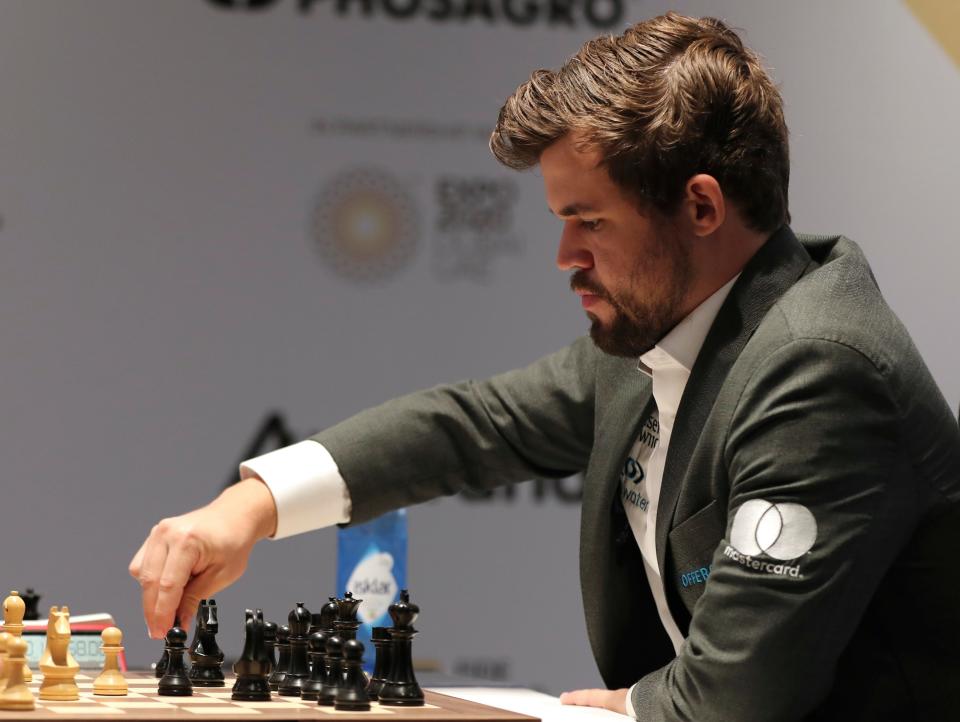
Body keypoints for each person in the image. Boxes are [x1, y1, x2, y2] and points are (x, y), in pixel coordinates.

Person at [130, 13, 960, 721]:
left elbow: (740, 695)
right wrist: (251, 504)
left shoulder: (819, 368)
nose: (565, 256)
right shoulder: (662, 333)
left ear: (702, 206)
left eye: (589, 222)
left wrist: (635, 708)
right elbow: (470, 426)